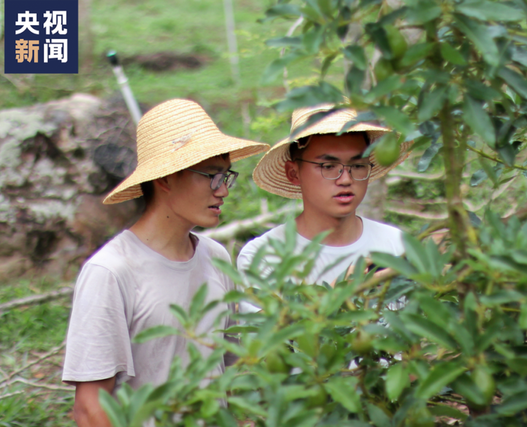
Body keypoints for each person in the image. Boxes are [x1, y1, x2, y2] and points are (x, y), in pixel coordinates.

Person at [62, 99, 269, 427]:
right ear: (166, 178)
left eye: (226, 175)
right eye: (211, 176)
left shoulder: (216, 258)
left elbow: (225, 374)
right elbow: (90, 408)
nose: (223, 191)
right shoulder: (111, 272)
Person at [237, 103, 412, 294]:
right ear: (294, 173)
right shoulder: (264, 258)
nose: (346, 179)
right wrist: (336, 297)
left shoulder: (397, 244)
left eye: (358, 165)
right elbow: (265, 324)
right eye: (328, 166)